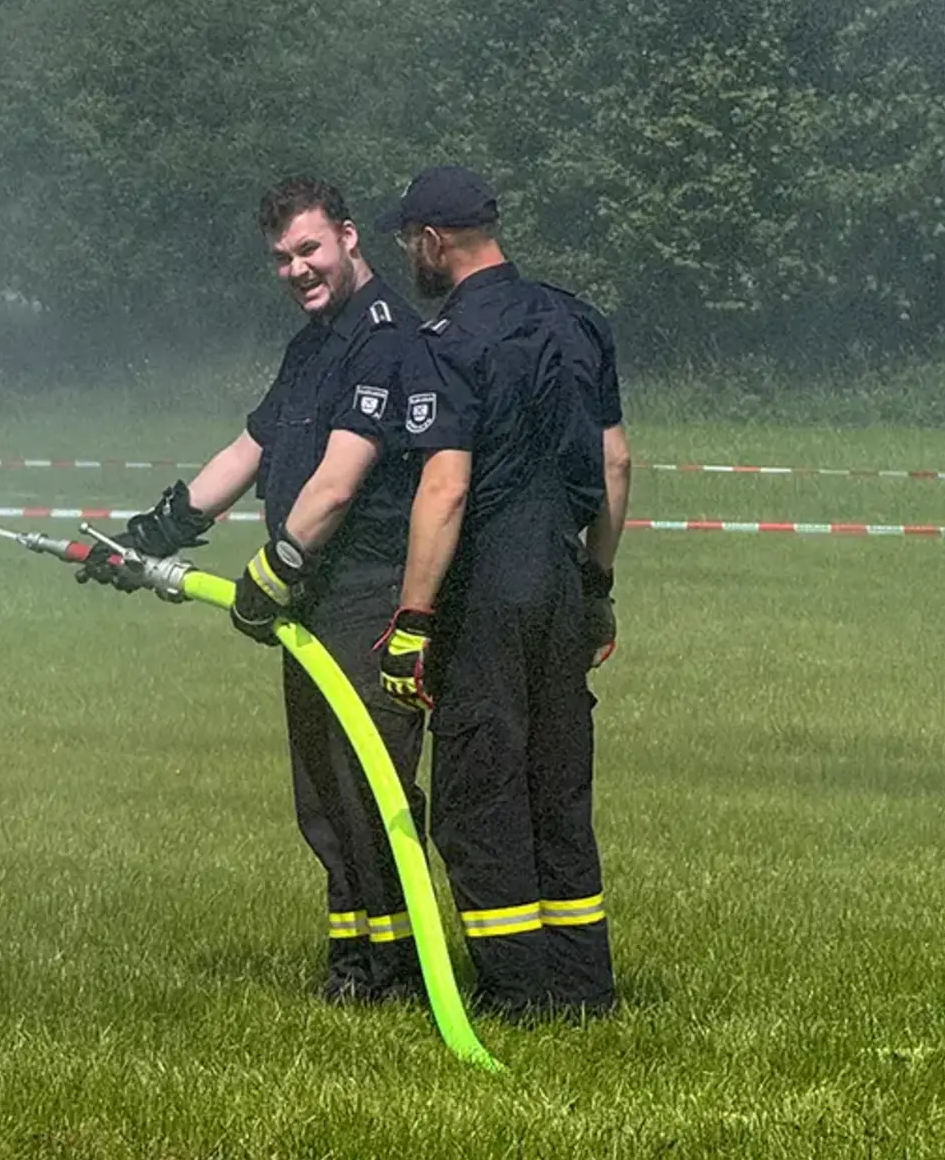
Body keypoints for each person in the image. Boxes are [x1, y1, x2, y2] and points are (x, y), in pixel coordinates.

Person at [78, 177, 429, 1004]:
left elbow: (340, 482)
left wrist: (273, 571)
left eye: (309, 249)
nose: (297, 269)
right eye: (282, 258)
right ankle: (352, 966)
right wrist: (153, 534)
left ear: (347, 238)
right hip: (310, 599)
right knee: (322, 791)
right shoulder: (311, 345)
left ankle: (405, 972)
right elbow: (251, 450)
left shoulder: (386, 339)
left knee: (370, 782)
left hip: (365, 595)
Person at [372, 165, 626, 1022]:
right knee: (558, 790)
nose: (411, 254)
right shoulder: (577, 319)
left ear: (433, 241)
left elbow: (444, 487)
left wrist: (410, 620)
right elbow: (618, 464)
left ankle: (518, 994)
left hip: (488, 588)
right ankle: (584, 989)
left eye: (410, 241)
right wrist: (597, 586)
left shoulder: (445, 340)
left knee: (482, 797)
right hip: (562, 576)